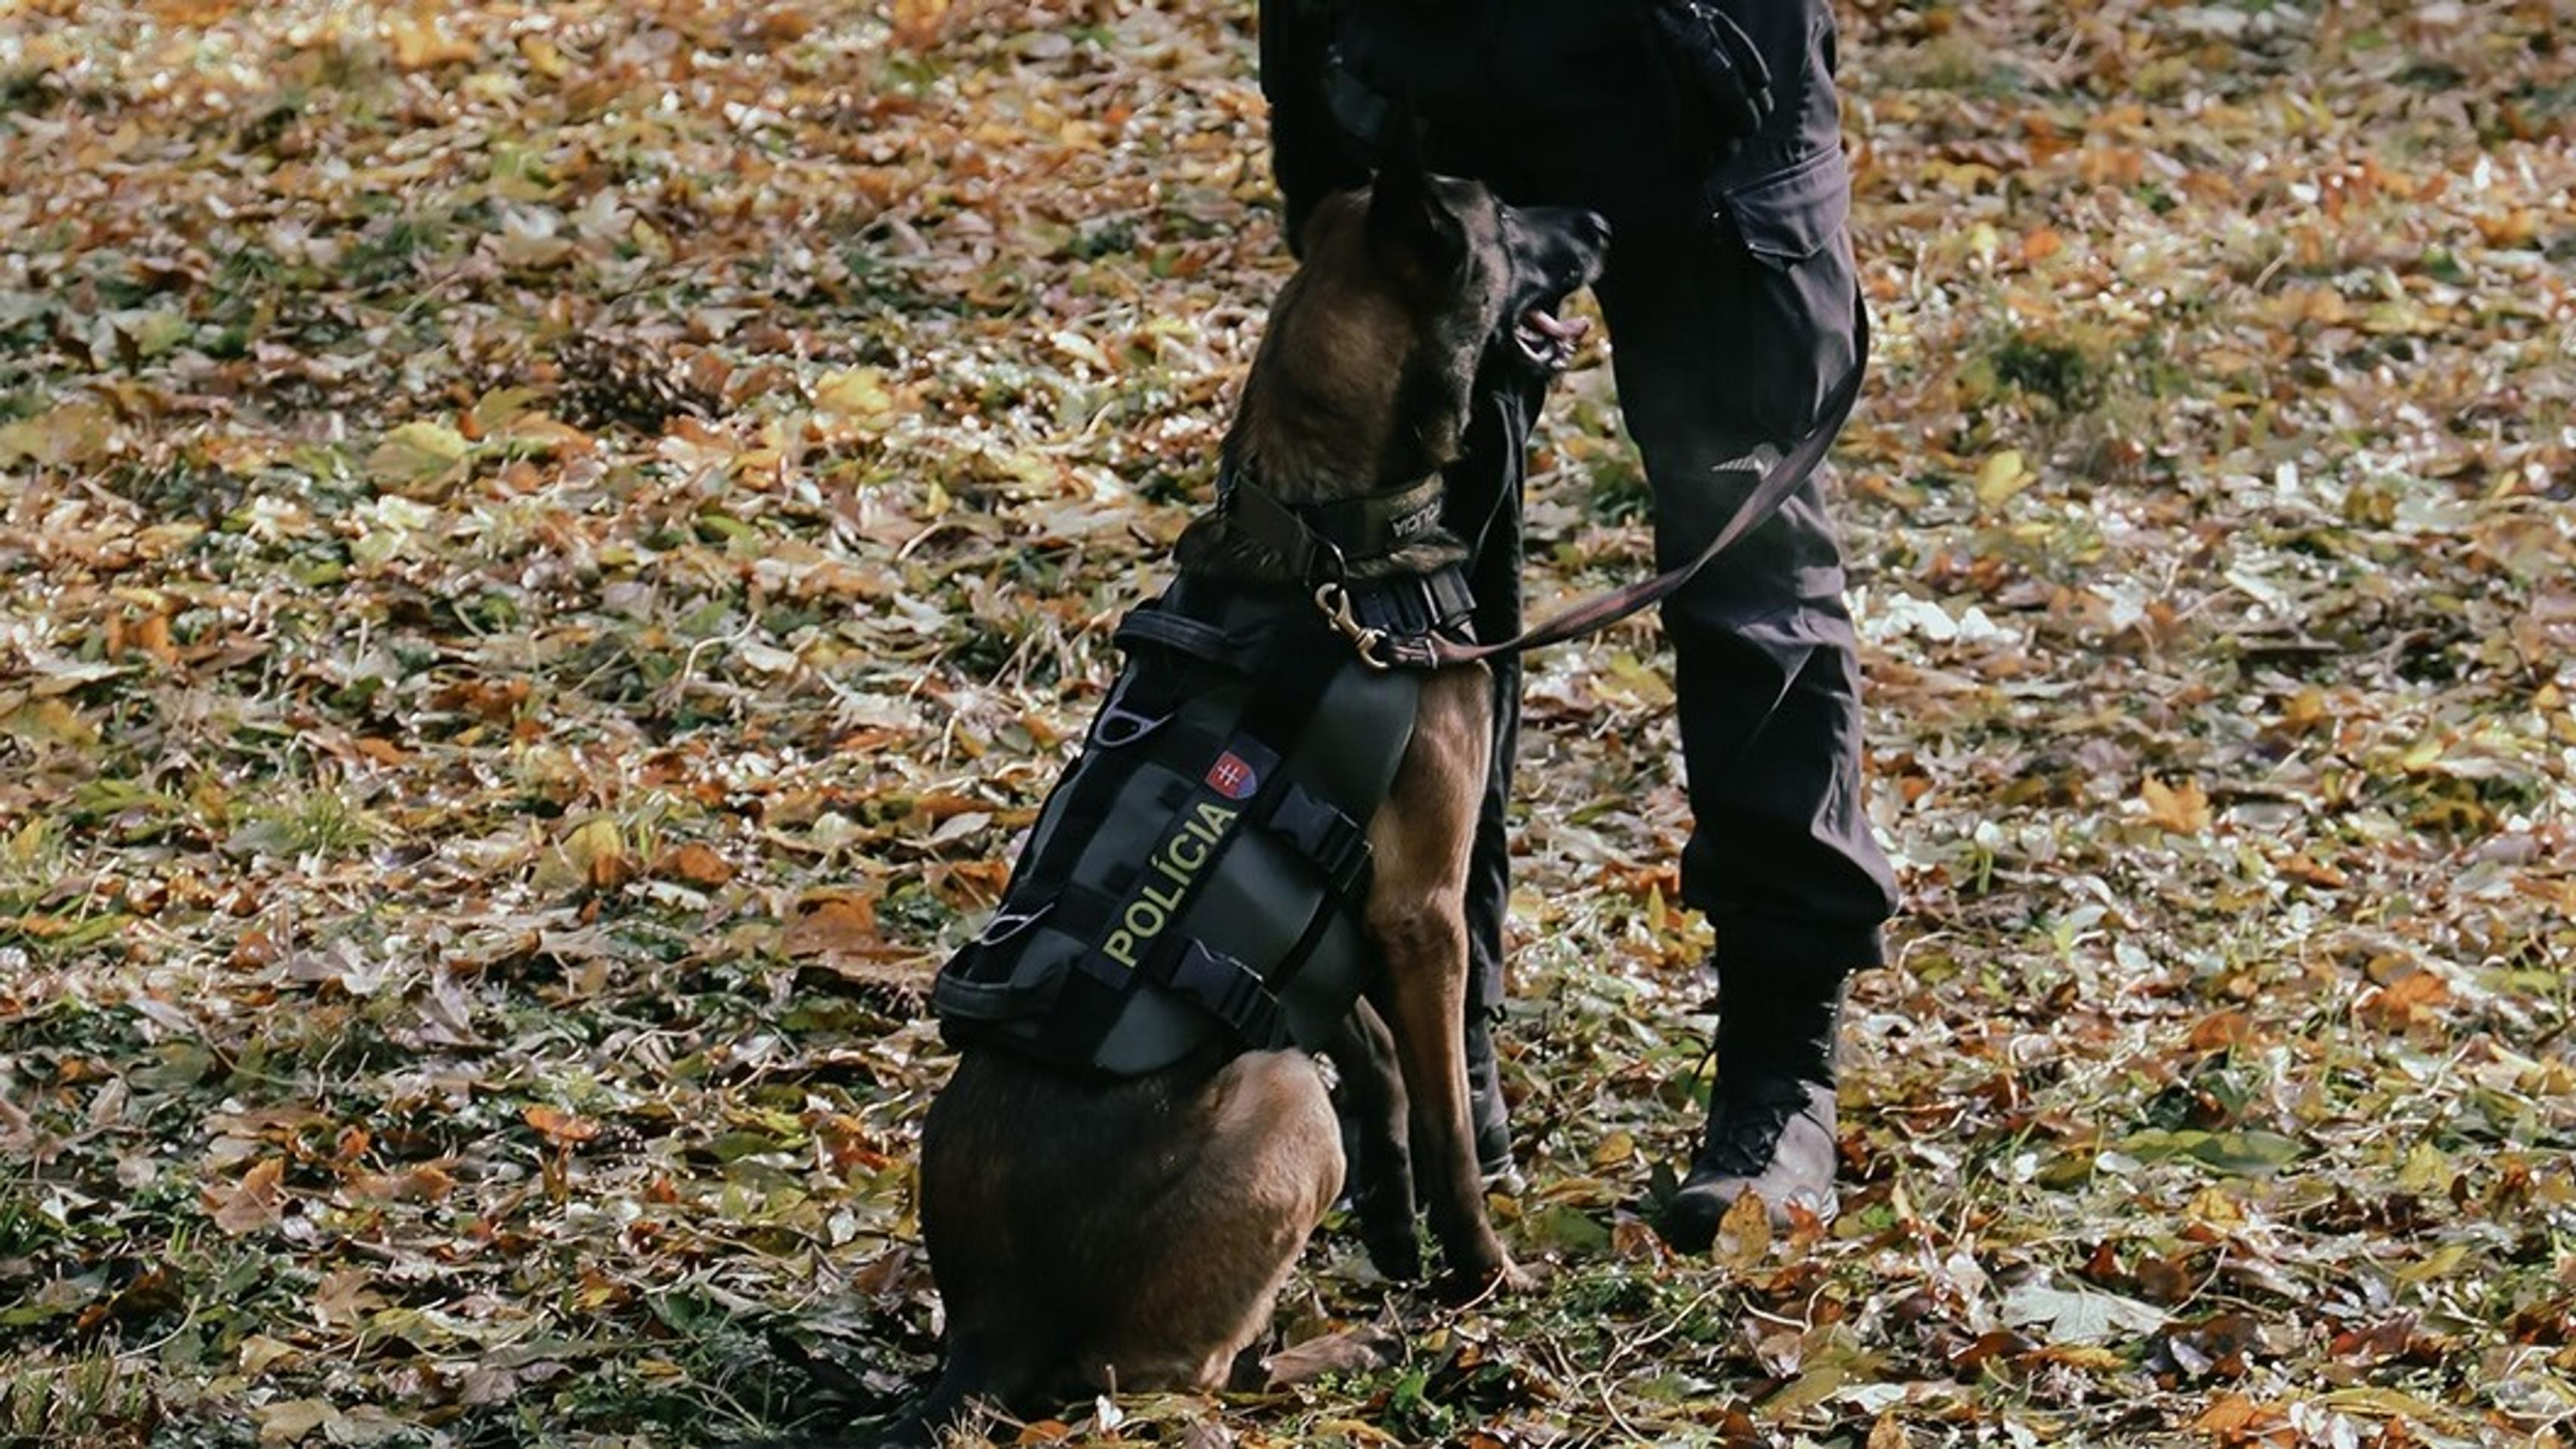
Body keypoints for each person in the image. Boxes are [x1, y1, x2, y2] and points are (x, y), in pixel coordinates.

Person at [1257, 0, 1899, 1246]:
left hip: (1713, 104)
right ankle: (1449, 1050)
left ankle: (1779, 1082)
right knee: (1402, 585)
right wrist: (1323, 123)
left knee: (1753, 584)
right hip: (1423, 95)